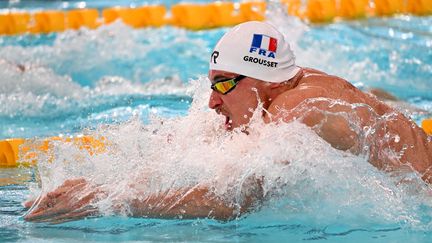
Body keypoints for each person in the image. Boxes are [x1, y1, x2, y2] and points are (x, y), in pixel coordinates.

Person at [24, 21, 432, 223]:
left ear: (262, 80)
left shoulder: (299, 112)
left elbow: (231, 200)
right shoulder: (281, 86)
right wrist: (112, 179)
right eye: (211, 86)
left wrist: (106, 202)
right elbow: (194, 148)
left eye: (222, 86)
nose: (212, 103)